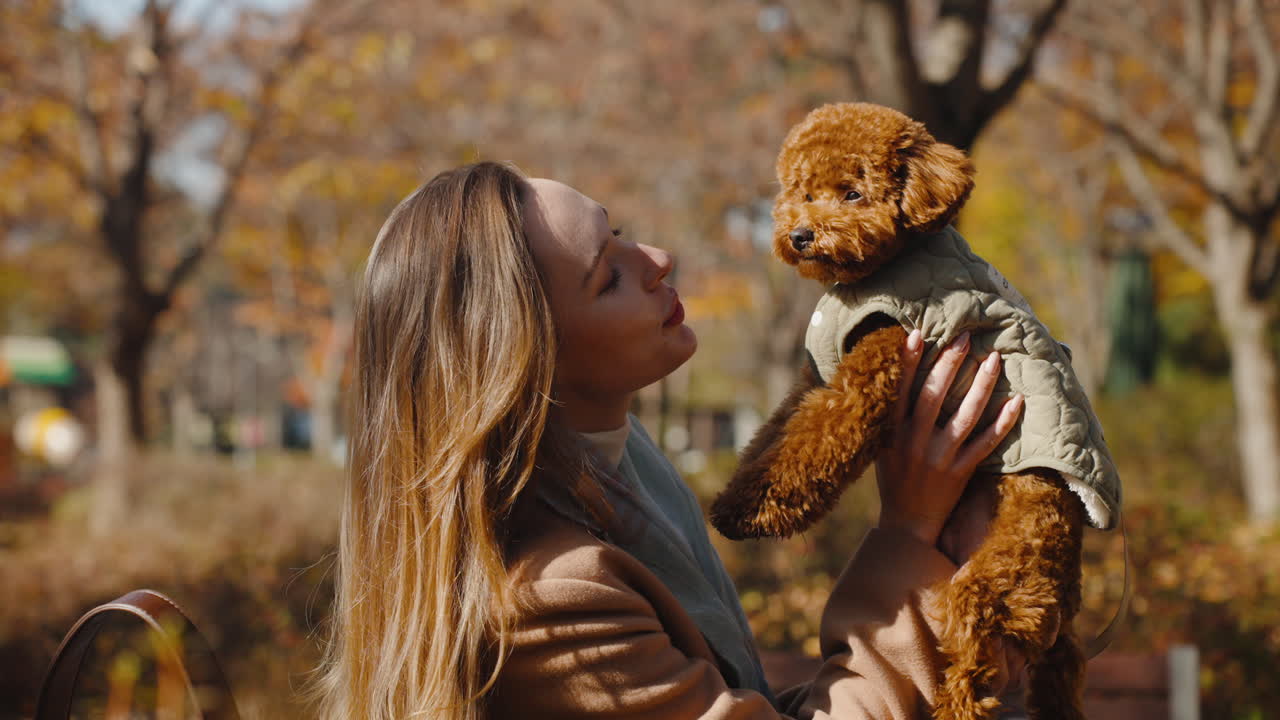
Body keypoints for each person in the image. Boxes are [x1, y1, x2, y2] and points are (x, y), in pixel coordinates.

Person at [312, 161, 1029, 720]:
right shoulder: (548, 598)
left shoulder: (628, 470)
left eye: (618, 230)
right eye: (606, 276)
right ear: (525, 362)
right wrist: (907, 533)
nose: (656, 257)